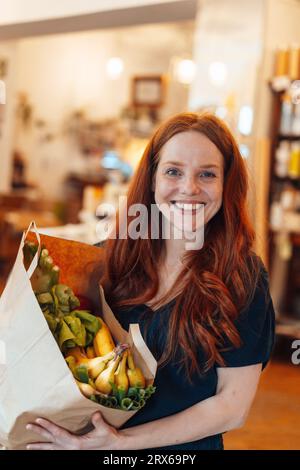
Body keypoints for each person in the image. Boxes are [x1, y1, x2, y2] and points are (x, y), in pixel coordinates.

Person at [26, 112, 275, 450]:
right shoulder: (105, 261)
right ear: (153, 180)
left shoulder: (242, 278)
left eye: (207, 174)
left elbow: (232, 407)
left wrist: (120, 443)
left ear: (225, 185)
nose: (189, 188)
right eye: (173, 171)